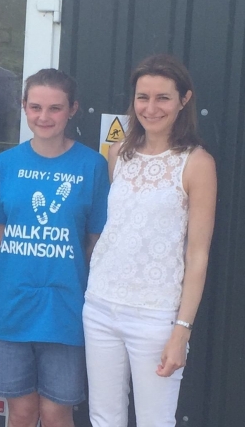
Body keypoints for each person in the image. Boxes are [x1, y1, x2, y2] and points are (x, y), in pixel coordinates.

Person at [84, 55, 217, 427]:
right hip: (100, 305)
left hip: (156, 314)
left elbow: (199, 254)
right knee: (103, 418)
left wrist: (181, 329)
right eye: (143, 97)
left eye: (163, 98)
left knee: (155, 421)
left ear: (183, 100)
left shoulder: (197, 163)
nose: (151, 107)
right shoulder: (118, 153)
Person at [0, 69, 110, 427]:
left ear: (72, 110)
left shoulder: (92, 166)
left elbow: (93, 240)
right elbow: (0, 231)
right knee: (20, 412)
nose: (44, 117)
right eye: (35, 107)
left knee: (56, 412)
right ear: (23, 107)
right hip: (12, 304)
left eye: (55, 108)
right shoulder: (4, 165)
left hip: (65, 306)